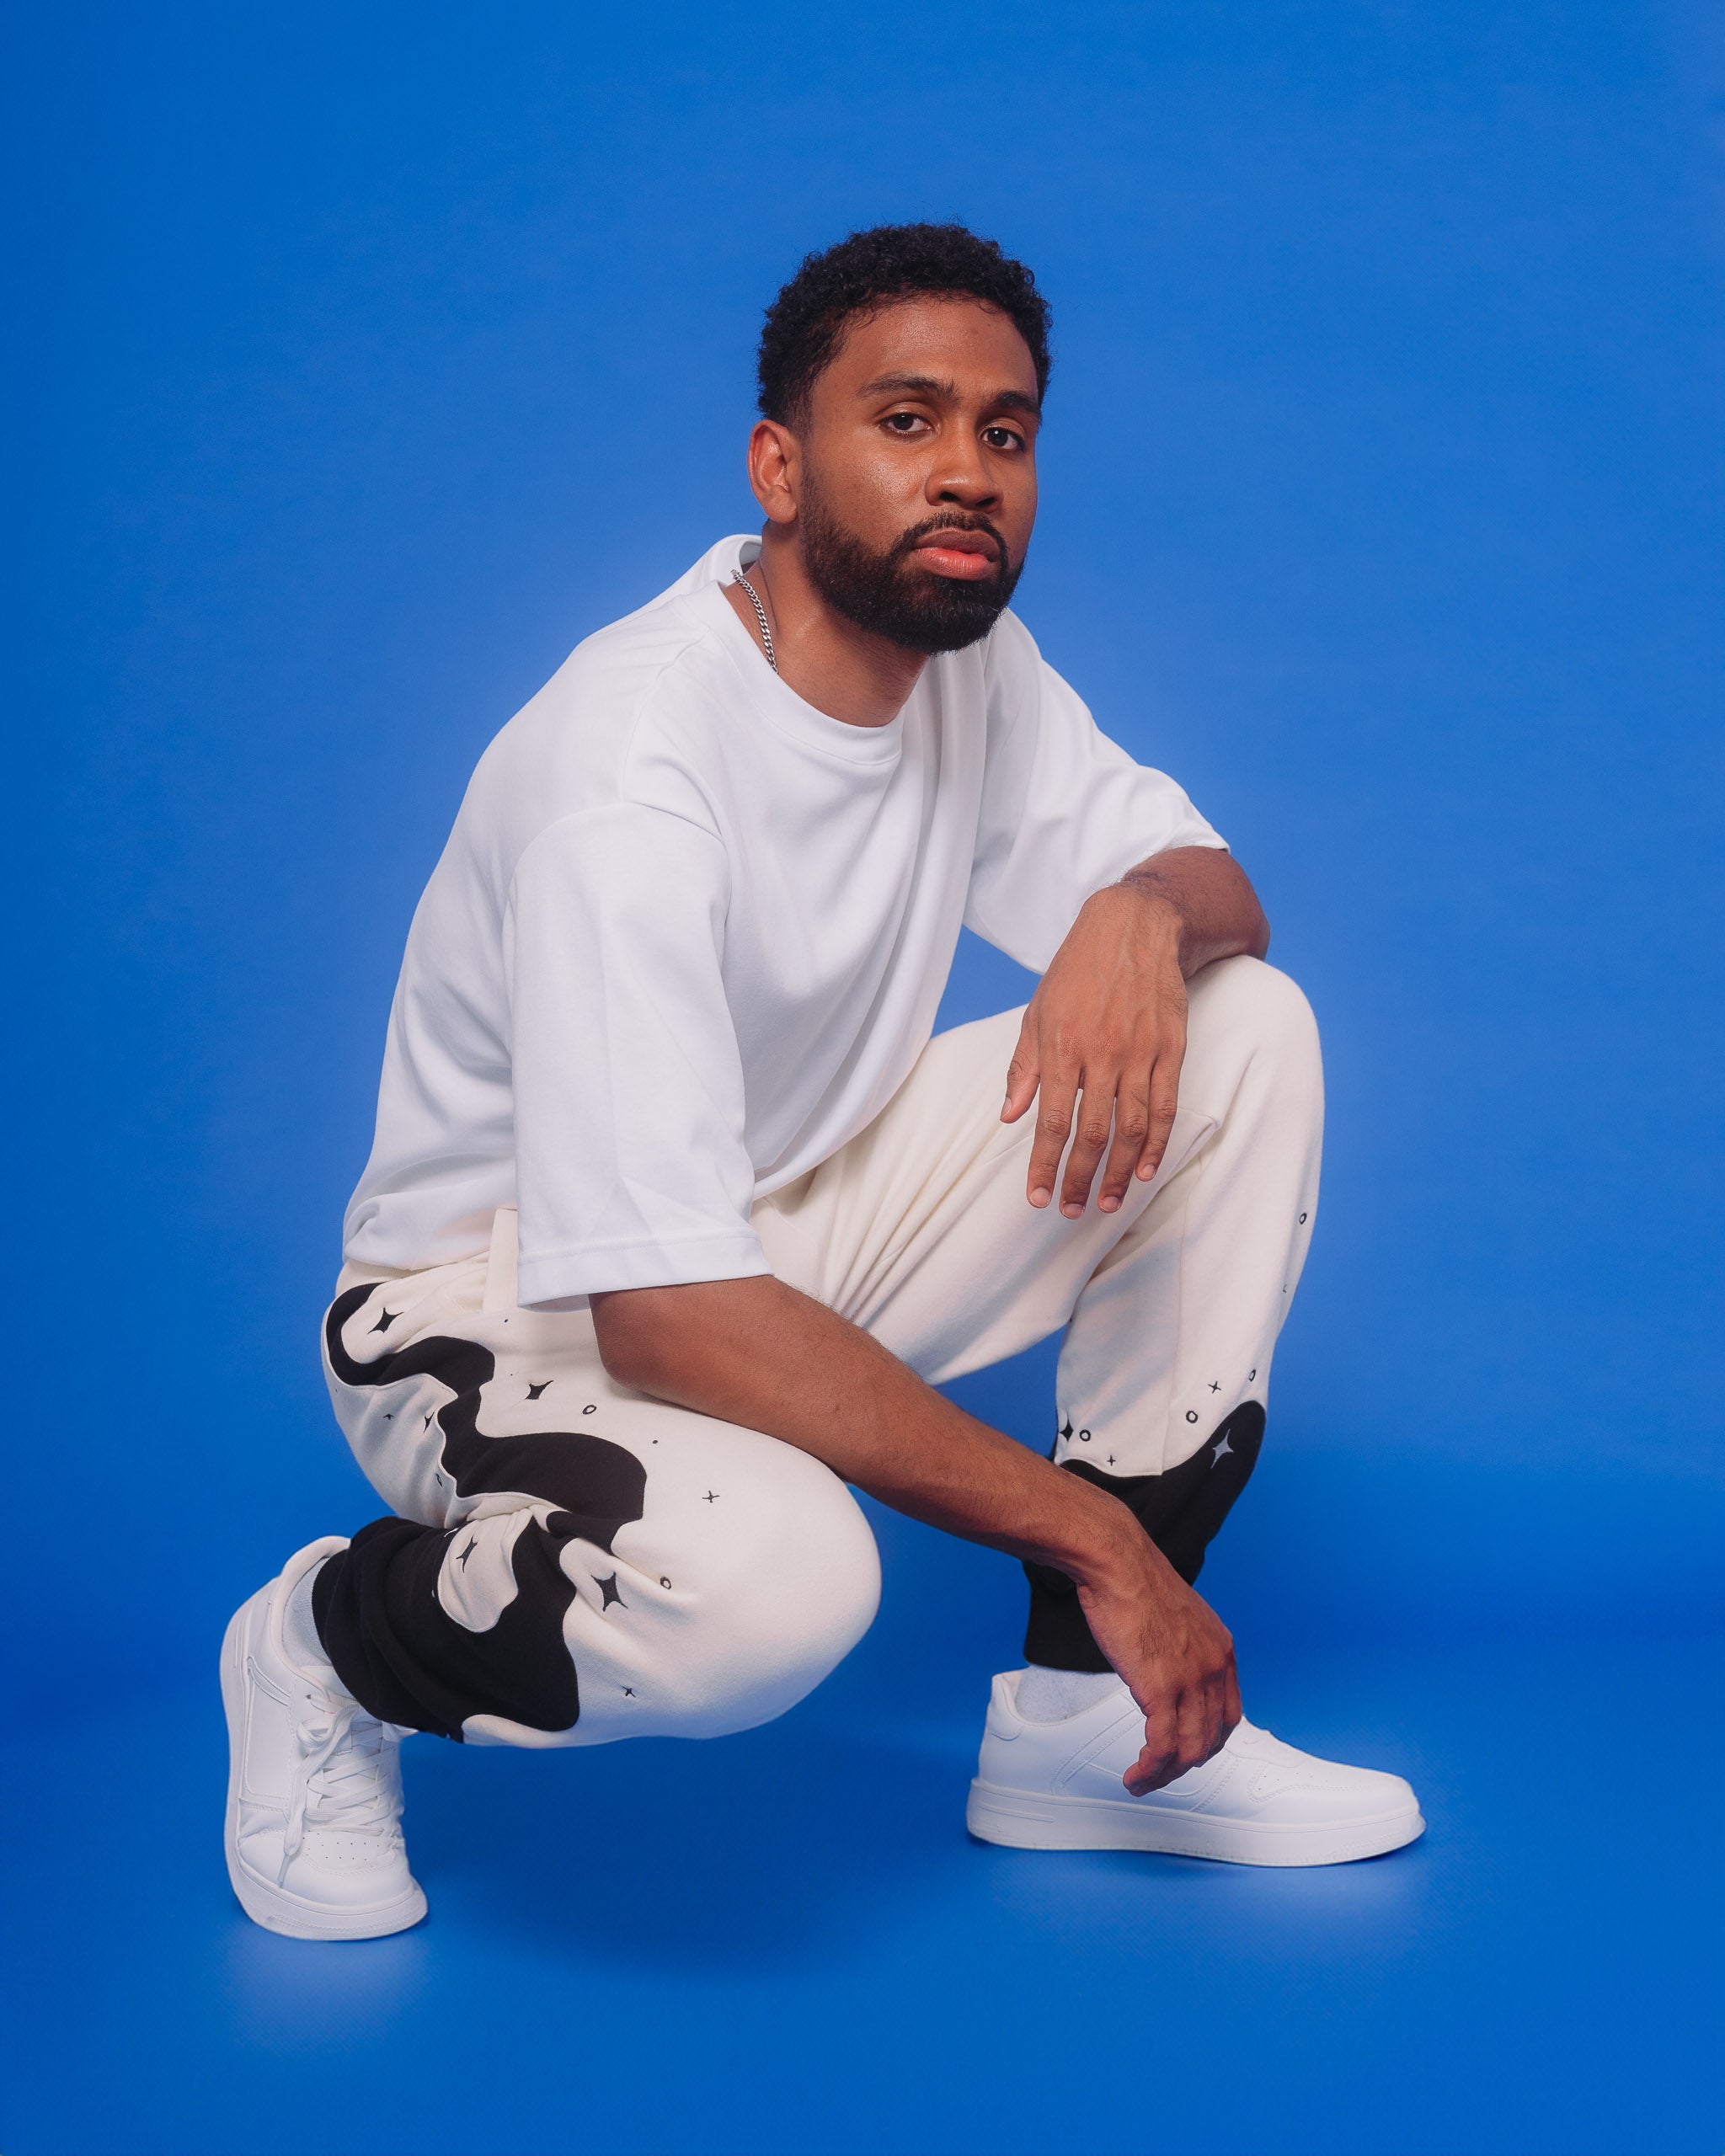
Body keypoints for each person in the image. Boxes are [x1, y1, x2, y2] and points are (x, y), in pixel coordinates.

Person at [221, 221, 1423, 1941]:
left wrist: (1135, 909)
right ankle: (325, 1642)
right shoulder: (626, 778)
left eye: (1003, 432)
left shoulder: (963, 667)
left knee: (1242, 1024)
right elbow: (662, 1314)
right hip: (497, 1312)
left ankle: (1090, 1725)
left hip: (757, 1228)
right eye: (908, 419)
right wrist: (1102, 1533)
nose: (967, 474)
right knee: (775, 1588)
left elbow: (1213, 883)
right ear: (778, 467)